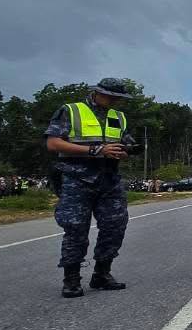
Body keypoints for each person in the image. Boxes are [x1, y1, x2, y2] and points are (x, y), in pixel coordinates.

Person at [43, 77, 133, 297]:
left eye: (118, 98)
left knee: (115, 226)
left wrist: (125, 149)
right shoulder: (71, 111)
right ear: (97, 93)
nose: (114, 101)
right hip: (77, 179)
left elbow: (124, 141)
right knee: (76, 229)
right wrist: (95, 150)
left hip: (109, 179)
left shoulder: (118, 116)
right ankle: (71, 279)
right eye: (111, 96)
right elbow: (53, 143)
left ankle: (102, 273)